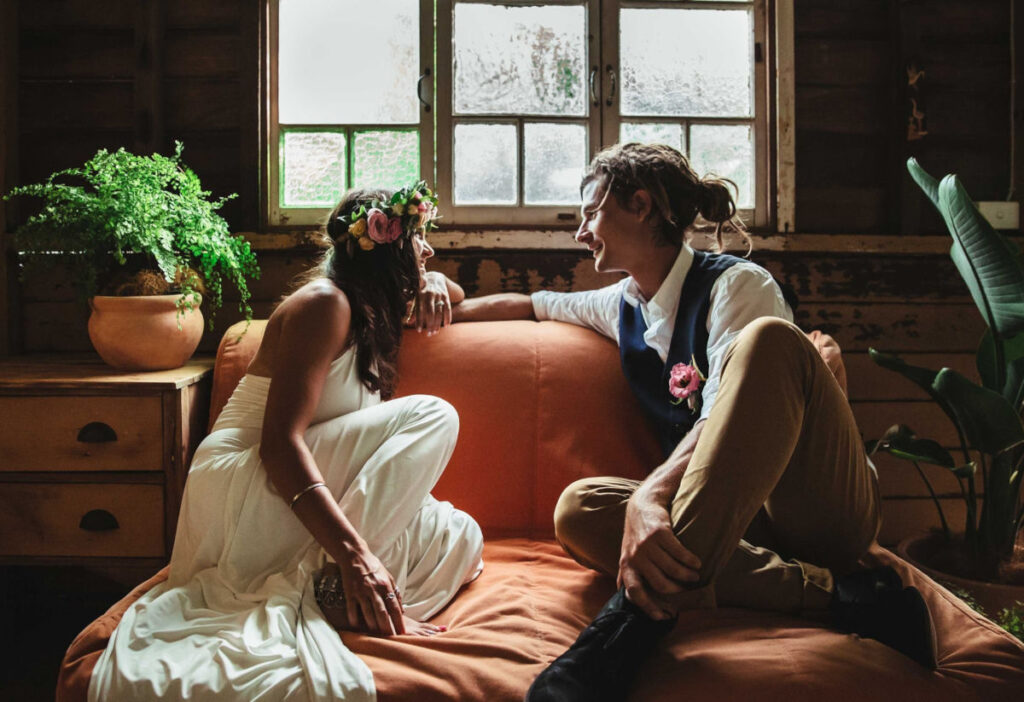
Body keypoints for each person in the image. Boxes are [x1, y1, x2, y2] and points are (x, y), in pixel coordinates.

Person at [451, 143, 936, 701]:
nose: (581, 232)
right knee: (580, 509)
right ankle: (845, 597)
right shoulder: (620, 305)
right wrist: (433, 299)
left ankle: (630, 625)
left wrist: (652, 495)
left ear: (639, 204)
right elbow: (533, 305)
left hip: (816, 508)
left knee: (769, 340)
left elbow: (720, 406)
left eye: (590, 212)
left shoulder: (739, 285)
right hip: (735, 524)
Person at [89, 184, 484, 702]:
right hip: (248, 476)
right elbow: (279, 444)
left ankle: (335, 585)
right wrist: (356, 556)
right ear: (383, 245)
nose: (428, 250)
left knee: (457, 534)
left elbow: (453, 298)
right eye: (417, 241)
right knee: (436, 415)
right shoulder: (324, 304)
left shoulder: (370, 309)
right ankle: (340, 582)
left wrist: (430, 278)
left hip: (286, 488)